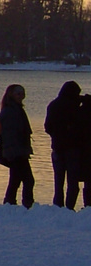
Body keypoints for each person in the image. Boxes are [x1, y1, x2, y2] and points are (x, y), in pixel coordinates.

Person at [0, 84, 35, 208]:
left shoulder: (16, 109)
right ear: (11, 94)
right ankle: (26, 205)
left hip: (19, 150)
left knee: (16, 179)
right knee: (28, 180)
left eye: (23, 93)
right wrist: (12, 151)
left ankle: (10, 204)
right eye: (18, 93)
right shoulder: (9, 111)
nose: (21, 96)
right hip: (15, 152)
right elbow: (7, 134)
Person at [44, 81, 82, 209]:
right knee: (72, 181)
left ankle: (58, 206)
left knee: (58, 181)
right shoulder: (74, 106)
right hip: (73, 149)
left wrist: (55, 136)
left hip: (57, 148)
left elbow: (47, 127)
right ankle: (69, 207)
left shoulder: (53, 105)